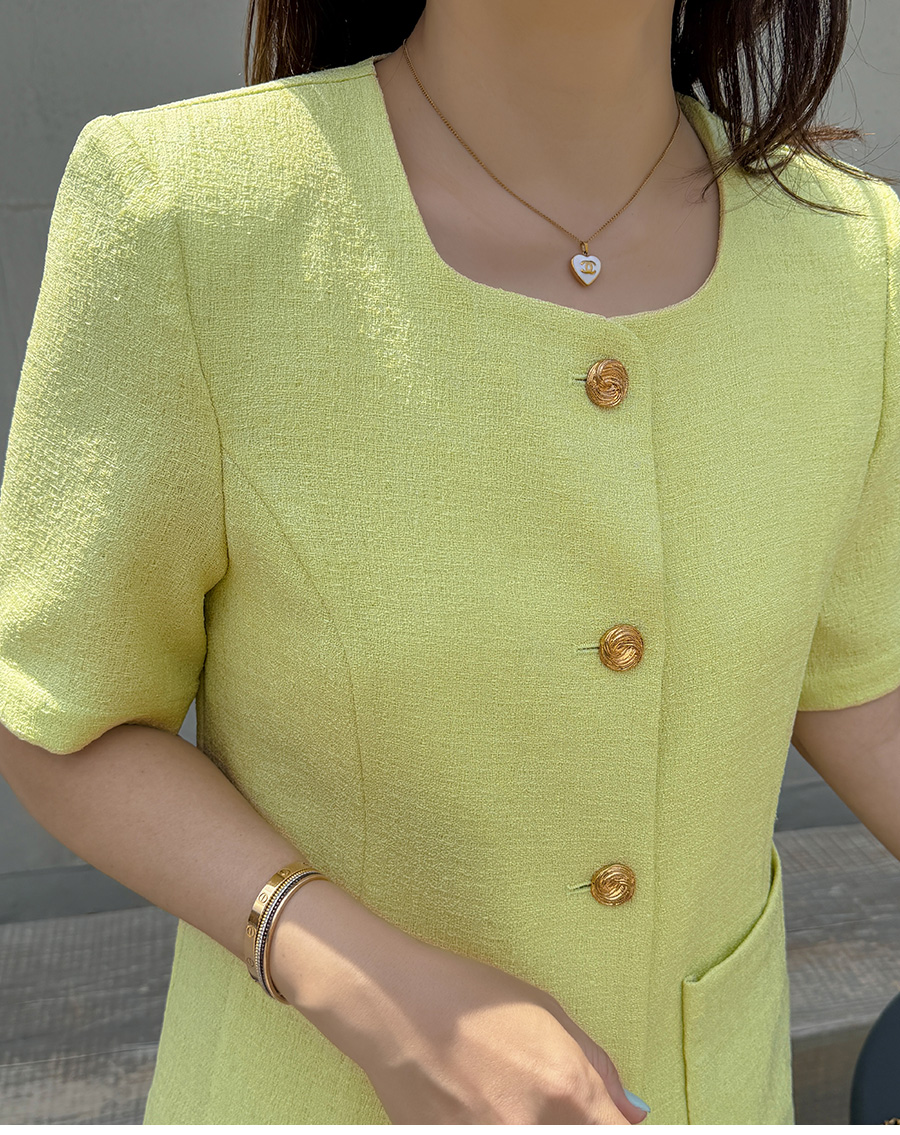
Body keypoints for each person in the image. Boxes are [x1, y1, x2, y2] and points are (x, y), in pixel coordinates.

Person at [0, 0, 898, 1124]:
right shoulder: (189, 214)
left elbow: (864, 692)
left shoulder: (851, 257)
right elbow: (64, 718)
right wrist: (362, 982)